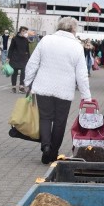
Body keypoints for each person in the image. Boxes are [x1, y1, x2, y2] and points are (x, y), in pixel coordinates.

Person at [25, 17, 92, 164]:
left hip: (43, 87)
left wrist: (27, 82)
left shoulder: (46, 40)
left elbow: (32, 63)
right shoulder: (76, 46)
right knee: (60, 122)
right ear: (73, 29)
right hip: (64, 90)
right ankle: (53, 152)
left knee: (45, 118)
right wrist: (86, 97)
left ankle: (46, 146)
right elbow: (82, 74)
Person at [7, 26, 31, 93]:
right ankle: (14, 86)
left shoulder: (26, 40)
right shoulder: (15, 39)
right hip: (15, 58)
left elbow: (27, 50)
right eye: (25, 31)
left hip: (23, 58)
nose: (26, 33)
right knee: (15, 73)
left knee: (23, 73)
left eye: (26, 32)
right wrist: (8, 57)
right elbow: (11, 49)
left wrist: (29, 59)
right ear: (21, 31)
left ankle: (21, 87)